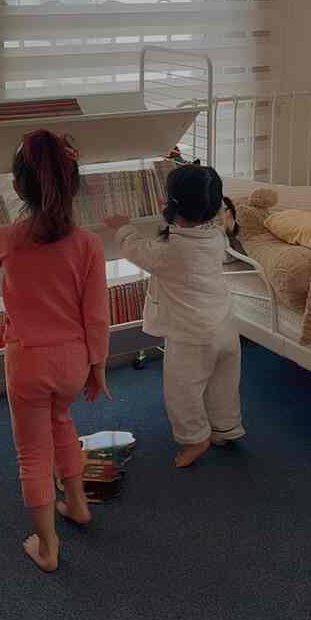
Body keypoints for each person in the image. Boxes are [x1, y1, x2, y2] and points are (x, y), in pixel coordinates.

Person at [0, 129, 109, 572]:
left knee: (32, 451)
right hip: (73, 359)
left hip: (27, 360)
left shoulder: (5, 238)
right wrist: (97, 368)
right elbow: (97, 315)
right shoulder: (89, 244)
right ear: (73, 183)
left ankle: (47, 548)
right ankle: (78, 505)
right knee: (63, 424)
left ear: (17, 187)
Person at [105, 163, 244, 468]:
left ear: (173, 205)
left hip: (191, 335)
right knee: (224, 383)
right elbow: (185, 226)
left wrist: (123, 227)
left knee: (183, 390)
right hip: (225, 327)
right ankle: (225, 428)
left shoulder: (170, 251)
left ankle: (194, 439)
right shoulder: (217, 236)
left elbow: (137, 249)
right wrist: (171, 211)